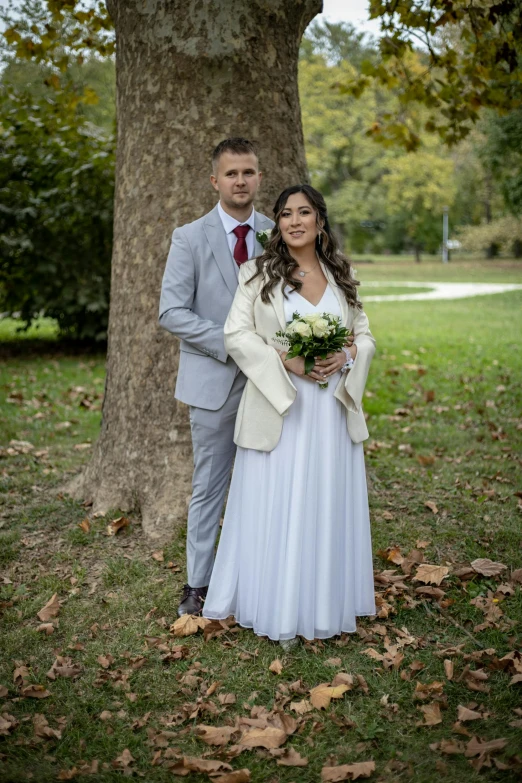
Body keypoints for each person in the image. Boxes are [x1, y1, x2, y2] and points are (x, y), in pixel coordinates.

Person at [203, 184, 376, 644]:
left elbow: (366, 334)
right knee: (281, 501)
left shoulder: (342, 274)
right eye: (285, 214)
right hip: (283, 404)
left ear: (320, 221)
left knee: (324, 498)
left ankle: (323, 601)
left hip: (331, 410)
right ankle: (276, 603)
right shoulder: (257, 274)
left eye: (304, 213)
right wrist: (288, 360)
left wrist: (350, 355)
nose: (294, 221)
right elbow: (237, 335)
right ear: (277, 224)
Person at [158, 138, 275, 616]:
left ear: (259, 177)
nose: (241, 181)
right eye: (231, 174)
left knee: (269, 479)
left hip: (272, 382)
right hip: (214, 381)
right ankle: (198, 584)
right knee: (210, 484)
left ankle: (263, 574)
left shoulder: (278, 230)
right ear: (215, 181)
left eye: (248, 172)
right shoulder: (189, 237)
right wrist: (233, 341)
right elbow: (171, 312)